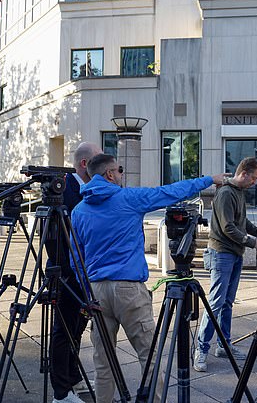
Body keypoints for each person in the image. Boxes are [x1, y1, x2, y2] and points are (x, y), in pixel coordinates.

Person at [70, 153, 227, 403]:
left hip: (96, 291)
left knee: (103, 361)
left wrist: (86, 293)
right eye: (119, 170)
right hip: (128, 290)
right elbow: (169, 192)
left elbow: (75, 258)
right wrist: (208, 179)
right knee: (149, 356)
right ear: (109, 174)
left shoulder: (78, 210)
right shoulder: (127, 199)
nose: (122, 174)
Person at [194, 157, 257, 372]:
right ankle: (201, 350)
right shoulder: (226, 193)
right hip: (221, 254)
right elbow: (228, 228)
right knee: (215, 303)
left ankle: (223, 345)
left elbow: (241, 222)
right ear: (244, 173)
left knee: (227, 303)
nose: (255, 182)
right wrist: (253, 241)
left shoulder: (238, 192)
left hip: (234, 254)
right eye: (253, 178)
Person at [47, 142, 102, 403]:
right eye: (97, 160)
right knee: (63, 331)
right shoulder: (63, 190)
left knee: (77, 328)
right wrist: (68, 270)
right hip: (67, 273)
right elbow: (51, 237)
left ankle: (73, 377)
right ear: (84, 164)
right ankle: (60, 393)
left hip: (85, 272)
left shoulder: (89, 190)